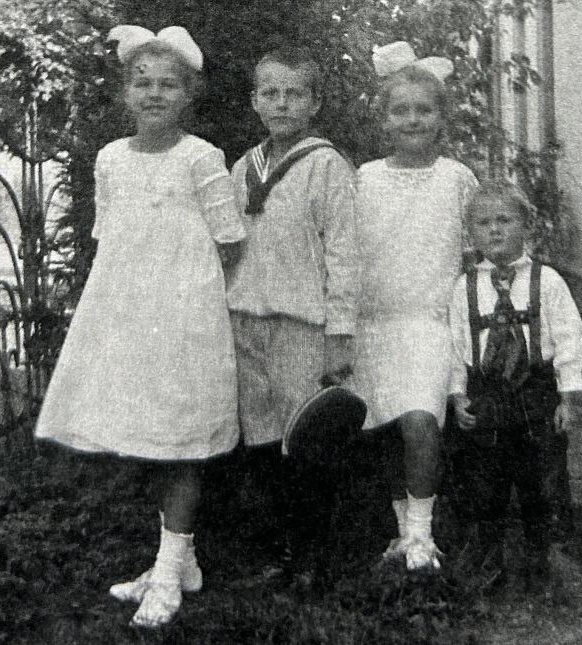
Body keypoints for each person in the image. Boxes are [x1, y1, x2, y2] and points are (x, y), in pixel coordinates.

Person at [34, 26, 246, 627]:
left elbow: (230, 242)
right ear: (125, 92)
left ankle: (169, 571)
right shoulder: (110, 159)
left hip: (185, 320)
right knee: (154, 436)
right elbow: (110, 238)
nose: (154, 94)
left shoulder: (200, 157)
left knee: (183, 439)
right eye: (142, 83)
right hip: (130, 319)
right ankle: (179, 560)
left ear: (189, 94)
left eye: (168, 84)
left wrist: (188, 294)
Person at [225, 45, 357, 565]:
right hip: (244, 318)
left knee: (302, 432)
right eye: (271, 93)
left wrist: (340, 330)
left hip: (301, 322)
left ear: (314, 103)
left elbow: (344, 252)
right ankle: (274, 543)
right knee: (258, 432)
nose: (281, 103)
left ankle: (312, 551)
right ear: (255, 100)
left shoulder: (327, 165)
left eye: (294, 94)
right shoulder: (243, 167)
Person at [350, 42, 478, 571]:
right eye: (400, 110)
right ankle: (402, 531)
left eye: (424, 110)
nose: (412, 120)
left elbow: (473, 256)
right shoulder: (365, 178)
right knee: (382, 428)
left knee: (422, 421)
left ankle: (423, 535)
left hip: (430, 322)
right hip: (373, 323)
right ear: (383, 119)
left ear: (442, 118)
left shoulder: (456, 178)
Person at [447, 182, 582, 590]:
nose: (494, 229)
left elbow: (569, 339)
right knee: (484, 482)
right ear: (471, 233)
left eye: (504, 220)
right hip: (486, 395)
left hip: (536, 393)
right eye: (483, 223)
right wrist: (458, 395)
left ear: (526, 226)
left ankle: (540, 558)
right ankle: (489, 558)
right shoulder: (464, 288)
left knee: (540, 479)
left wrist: (566, 398)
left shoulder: (548, 281)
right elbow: (455, 347)